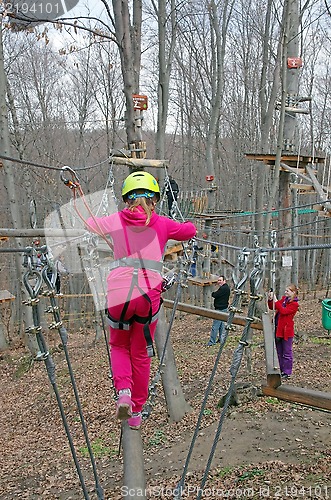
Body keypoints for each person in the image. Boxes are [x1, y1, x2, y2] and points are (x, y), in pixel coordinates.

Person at [86, 171, 196, 430]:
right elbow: (189, 231)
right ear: (154, 200)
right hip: (147, 295)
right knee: (141, 353)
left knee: (119, 346)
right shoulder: (162, 223)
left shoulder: (115, 220)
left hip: (119, 293)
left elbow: (90, 224)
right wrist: (185, 221)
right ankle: (136, 409)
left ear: (127, 201)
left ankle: (123, 392)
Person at [268, 284, 299, 381]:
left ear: (293, 292)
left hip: (286, 331)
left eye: (288, 291)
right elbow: (273, 307)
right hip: (278, 329)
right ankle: (280, 369)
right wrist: (270, 299)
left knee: (287, 352)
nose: (285, 292)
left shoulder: (294, 304)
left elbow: (283, 311)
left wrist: (276, 300)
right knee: (279, 351)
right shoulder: (284, 300)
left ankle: (287, 371)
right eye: (285, 291)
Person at [207, 275, 230, 346]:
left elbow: (215, 295)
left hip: (221, 309)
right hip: (223, 308)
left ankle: (212, 342)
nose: (219, 282)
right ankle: (221, 339)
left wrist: (212, 293)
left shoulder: (223, 288)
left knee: (215, 326)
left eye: (220, 280)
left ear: (224, 281)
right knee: (221, 326)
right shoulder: (225, 287)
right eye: (218, 280)